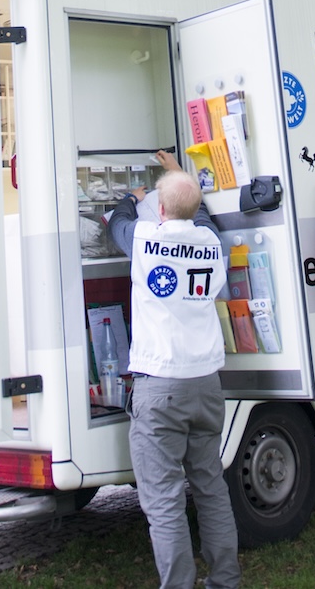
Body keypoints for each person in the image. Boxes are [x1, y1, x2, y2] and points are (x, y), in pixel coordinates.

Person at [108, 150, 240, 589]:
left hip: (158, 383)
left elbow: (117, 225)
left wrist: (132, 197)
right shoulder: (211, 243)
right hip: (205, 383)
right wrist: (179, 175)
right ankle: (225, 580)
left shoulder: (146, 238)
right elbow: (197, 213)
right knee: (211, 489)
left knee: (164, 501)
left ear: (159, 209)